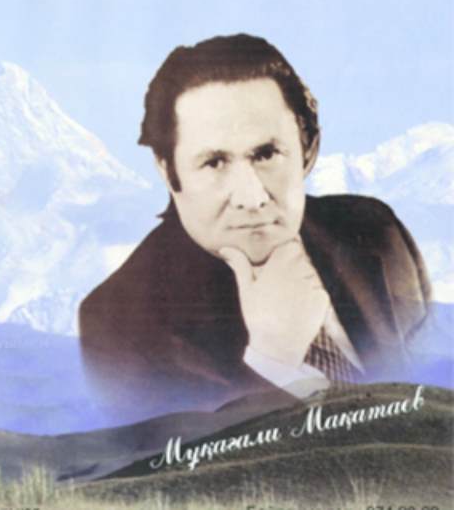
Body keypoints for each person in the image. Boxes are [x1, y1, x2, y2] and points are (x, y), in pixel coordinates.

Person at [78, 34, 432, 418]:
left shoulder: (376, 230)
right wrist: (273, 361)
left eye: (266, 154)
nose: (251, 197)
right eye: (214, 162)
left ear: (308, 151)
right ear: (169, 171)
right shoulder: (116, 327)